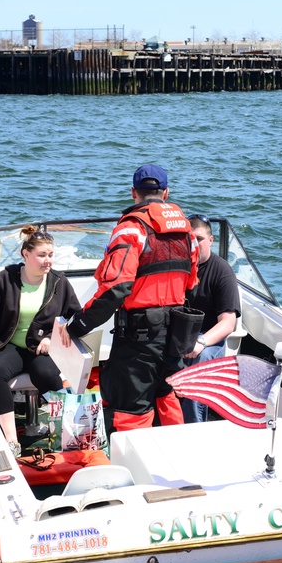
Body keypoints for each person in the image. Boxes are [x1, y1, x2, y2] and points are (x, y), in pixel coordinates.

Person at [59, 164, 198, 432]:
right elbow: (191, 282)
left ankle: (136, 470)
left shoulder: (131, 228)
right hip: (177, 334)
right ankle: (176, 461)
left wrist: (78, 326)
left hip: (140, 338)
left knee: (130, 408)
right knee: (167, 396)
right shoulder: (187, 231)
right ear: (166, 193)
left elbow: (116, 288)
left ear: (133, 193)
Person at [0, 226, 82, 457]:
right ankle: (11, 440)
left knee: (46, 373)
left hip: (41, 350)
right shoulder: (5, 279)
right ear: (26, 254)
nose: (47, 261)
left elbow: (73, 318)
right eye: (42, 255)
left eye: (51, 255)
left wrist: (53, 336)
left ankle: (65, 431)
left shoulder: (59, 282)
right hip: (8, 345)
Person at [180, 214, 241, 423]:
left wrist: (201, 342)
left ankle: (195, 430)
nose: (193, 244)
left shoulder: (222, 271)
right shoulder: (177, 267)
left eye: (198, 239)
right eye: (189, 239)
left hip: (208, 339)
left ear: (211, 240)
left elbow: (228, 323)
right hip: (177, 334)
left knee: (200, 364)